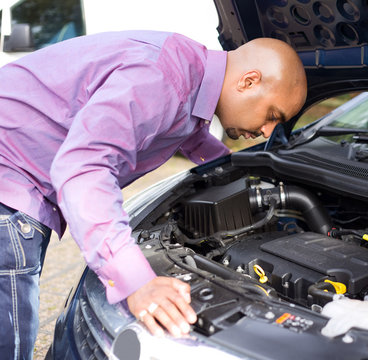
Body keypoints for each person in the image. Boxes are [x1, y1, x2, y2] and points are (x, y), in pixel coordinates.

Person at [0, 30, 307, 358]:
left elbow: (183, 130)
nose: (267, 131)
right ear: (248, 82)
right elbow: (83, 168)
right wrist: (136, 282)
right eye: (273, 116)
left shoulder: (188, 70)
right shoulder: (161, 78)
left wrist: (233, 171)